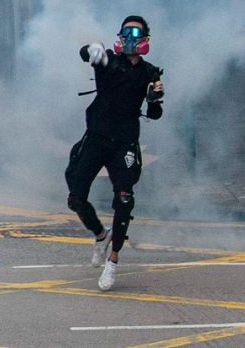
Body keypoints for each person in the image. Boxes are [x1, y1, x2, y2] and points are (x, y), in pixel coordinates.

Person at [66, 15, 165, 292]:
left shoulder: (149, 72)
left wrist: (154, 98)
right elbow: (87, 53)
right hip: (97, 137)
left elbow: (155, 114)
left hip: (124, 142)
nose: (131, 41)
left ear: (146, 39)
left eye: (137, 36)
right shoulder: (108, 60)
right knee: (75, 197)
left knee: (124, 197)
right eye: (126, 35)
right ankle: (100, 234)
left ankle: (113, 261)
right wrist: (92, 48)